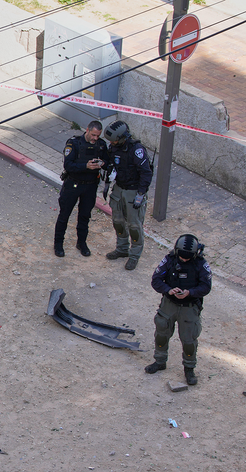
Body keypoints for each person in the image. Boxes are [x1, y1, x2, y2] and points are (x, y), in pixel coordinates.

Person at [145, 234, 212, 385]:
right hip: (169, 304)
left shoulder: (200, 264)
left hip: (189, 307)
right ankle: (160, 361)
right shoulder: (169, 260)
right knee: (162, 334)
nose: (184, 259)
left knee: (189, 341)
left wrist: (190, 293)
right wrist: (168, 290)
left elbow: (206, 286)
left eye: (188, 257)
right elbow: (156, 280)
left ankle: (189, 369)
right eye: (182, 257)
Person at [101, 120, 154, 270]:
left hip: (133, 191)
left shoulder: (136, 150)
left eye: (114, 140)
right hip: (119, 188)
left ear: (123, 137)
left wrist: (140, 194)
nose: (112, 143)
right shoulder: (114, 148)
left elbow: (146, 173)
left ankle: (134, 255)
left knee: (134, 226)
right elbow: (111, 163)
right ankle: (122, 249)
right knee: (118, 221)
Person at [54, 121, 109, 257]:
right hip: (73, 184)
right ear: (87, 130)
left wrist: (102, 164)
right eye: (93, 135)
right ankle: (58, 244)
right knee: (64, 215)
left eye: (98, 136)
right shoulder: (74, 143)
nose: (95, 138)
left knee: (85, 216)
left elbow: (108, 162)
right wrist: (86, 166)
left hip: (90, 186)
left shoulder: (101, 145)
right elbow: (68, 165)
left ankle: (82, 243)